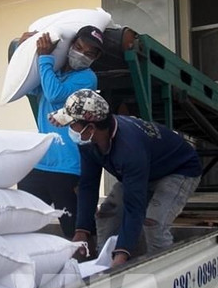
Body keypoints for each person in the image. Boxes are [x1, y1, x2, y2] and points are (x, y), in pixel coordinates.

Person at [50, 89, 202, 267]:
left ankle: (164, 275)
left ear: (90, 127)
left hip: (179, 169)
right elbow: (88, 185)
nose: (70, 130)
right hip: (145, 170)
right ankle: (103, 267)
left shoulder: (130, 148)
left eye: (71, 125)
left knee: (153, 222)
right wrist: (81, 229)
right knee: (107, 214)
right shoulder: (88, 142)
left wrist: (122, 253)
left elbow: (134, 206)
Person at [17, 26, 104, 239]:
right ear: (70, 45)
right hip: (39, 164)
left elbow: (56, 96)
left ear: (95, 59)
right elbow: (27, 86)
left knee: (76, 233)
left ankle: (86, 270)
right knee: (19, 225)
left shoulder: (87, 78)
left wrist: (44, 57)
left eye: (89, 53)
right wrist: (24, 51)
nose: (81, 54)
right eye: (78, 47)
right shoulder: (53, 74)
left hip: (69, 169)